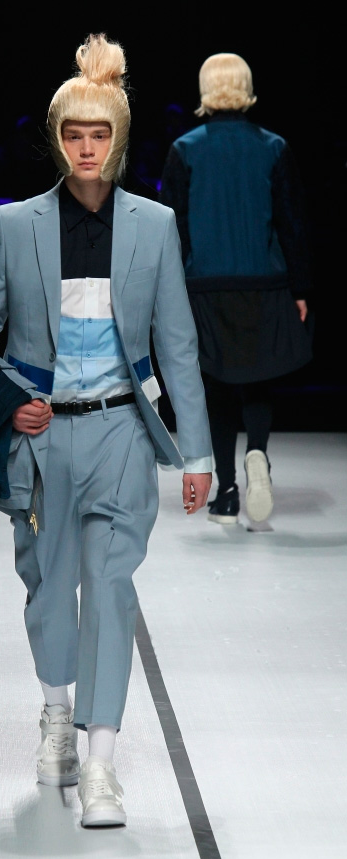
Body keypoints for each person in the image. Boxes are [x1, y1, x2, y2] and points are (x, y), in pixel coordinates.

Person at [0, 33, 212, 828]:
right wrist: (9, 398)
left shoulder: (154, 226)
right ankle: (56, 716)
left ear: (119, 139)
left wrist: (197, 453)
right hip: (38, 440)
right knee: (47, 590)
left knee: (108, 588)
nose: (86, 148)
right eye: (73, 134)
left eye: (99, 134)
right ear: (56, 139)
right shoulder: (14, 225)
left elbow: (176, 342)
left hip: (120, 434)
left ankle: (100, 764)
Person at [159, 52, 313, 526]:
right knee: (257, 380)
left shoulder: (184, 149)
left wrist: (167, 293)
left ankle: (225, 493)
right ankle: (258, 454)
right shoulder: (274, 147)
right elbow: (291, 224)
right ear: (246, 87)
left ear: (205, 88)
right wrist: (300, 288)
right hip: (264, 283)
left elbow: (173, 230)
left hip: (205, 286)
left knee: (217, 386)